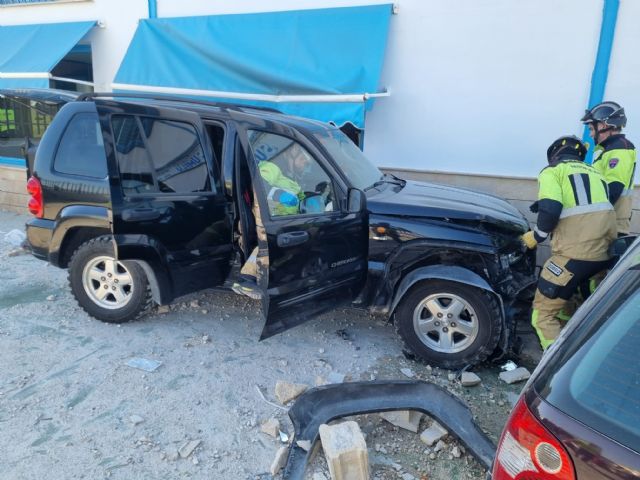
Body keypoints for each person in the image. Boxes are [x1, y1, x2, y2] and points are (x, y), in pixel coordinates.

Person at [522, 135, 617, 350]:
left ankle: (553, 371)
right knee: (570, 306)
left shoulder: (552, 171)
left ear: (554, 155)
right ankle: (577, 348)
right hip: (604, 256)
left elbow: (552, 210)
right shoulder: (597, 174)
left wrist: (535, 237)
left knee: (542, 315)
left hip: (574, 255)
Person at [581, 101, 637, 236]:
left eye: (591, 129)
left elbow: (613, 188)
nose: (591, 134)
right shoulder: (608, 149)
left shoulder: (620, 148)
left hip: (610, 226)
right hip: (604, 222)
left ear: (604, 125)